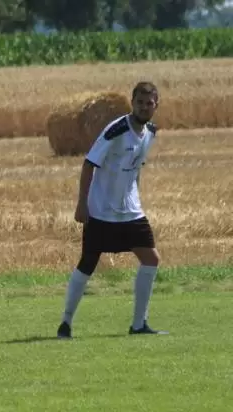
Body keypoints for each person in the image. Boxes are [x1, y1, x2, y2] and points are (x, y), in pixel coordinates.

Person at [57, 81, 167, 339]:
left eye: (149, 103)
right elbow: (88, 164)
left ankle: (138, 325)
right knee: (87, 264)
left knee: (151, 259)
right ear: (132, 103)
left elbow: (136, 168)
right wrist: (82, 203)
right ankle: (65, 323)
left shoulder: (151, 132)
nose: (144, 107)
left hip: (131, 212)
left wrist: (136, 197)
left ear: (156, 105)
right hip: (101, 211)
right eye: (139, 102)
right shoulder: (116, 130)